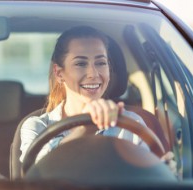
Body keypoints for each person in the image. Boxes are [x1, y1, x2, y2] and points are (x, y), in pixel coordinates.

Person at [20, 26, 176, 174]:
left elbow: (145, 179)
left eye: (101, 63)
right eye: (80, 63)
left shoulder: (131, 124)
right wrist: (86, 128)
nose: (93, 74)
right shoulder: (36, 127)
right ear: (59, 73)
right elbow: (37, 176)